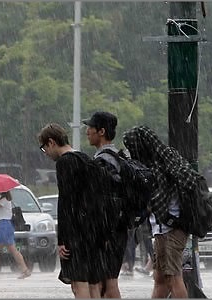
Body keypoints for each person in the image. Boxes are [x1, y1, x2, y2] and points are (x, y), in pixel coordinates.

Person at [38, 122, 107, 298]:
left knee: (79, 282)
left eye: (44, 148)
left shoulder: (65, 162)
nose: (46, 153)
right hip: (94, 228)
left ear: (51, 142)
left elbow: (66, 202)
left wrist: (63, 239)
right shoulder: (84, 158)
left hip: (77, 231)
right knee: (93, 283)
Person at [122, 125, 189, 298]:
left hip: (171, 229)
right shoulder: (166, 158)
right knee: (159, 278)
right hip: (162, 230)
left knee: (173, 278)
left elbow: (156, 199)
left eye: (132, 147)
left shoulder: (159, 164)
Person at [83, 111, 127, 297]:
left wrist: (104, 232)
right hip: (117, 227)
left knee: (108, 283)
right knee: (105, 282)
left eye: (90, 128)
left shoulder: (104, 161)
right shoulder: (119, 156)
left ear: (101, 131)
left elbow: (106, 199)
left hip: (109, 229)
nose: (87, 132)